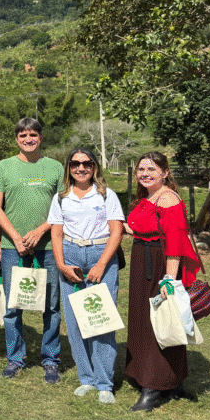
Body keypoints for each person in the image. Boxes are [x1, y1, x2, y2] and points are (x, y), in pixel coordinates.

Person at [124, 152, 201, 412]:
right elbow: (143, 228)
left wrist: (168, 278)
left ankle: (154, 387)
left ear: (165, 172)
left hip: (159, 264)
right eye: (140, 169)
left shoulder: (168, 199)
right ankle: (170, 381)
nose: (145, 173)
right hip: (141, 262)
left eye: (151, 169)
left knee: (156, 324)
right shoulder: (149, 197)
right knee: (144, 320)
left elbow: (176, 242)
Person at [0, 117, 64, 383]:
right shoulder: (4, 167)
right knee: (13, 305)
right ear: (17, 139)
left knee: (51, 305)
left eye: (33, 135)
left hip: (48, 247)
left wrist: (40, 230)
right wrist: (15, 237)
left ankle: (50, 358)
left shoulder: (55, 167)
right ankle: (15, 358)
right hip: (13, 247)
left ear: (41, 137)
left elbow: (62, 209)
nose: (28, 139)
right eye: (23, 136)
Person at [48, 147, 124, 404]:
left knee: (101, 319)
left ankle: (104, 382)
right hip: (70, 255)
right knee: (75, 320)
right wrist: (61, 265)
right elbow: (56, 233)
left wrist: (102, 265)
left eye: (87, 164)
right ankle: (87, 378)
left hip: (100, 253)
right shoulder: (61, 198)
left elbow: (117, 231)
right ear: (68, 167)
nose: (81, 168)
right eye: (75, 164)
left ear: (95, 167)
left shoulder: (106, 195)